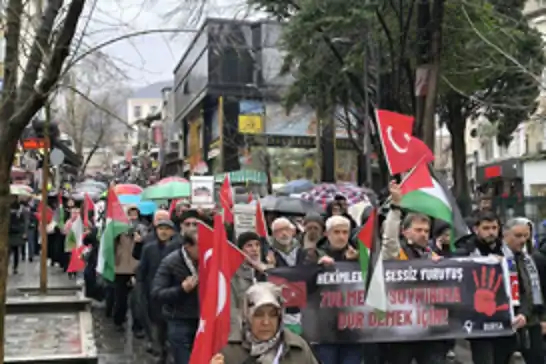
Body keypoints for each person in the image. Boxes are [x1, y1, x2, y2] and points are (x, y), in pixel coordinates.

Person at [380, 181, 447, 364]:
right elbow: (389, 240)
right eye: (418, 230)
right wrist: (395, 208)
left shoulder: (432, 256)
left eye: (426, 231)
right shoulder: (397, 252)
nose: (423, 234)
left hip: (429, 329)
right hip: (402, 329)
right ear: (405, 232)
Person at [210, 282, 319, 364]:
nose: (266, 322)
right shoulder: (229, 351)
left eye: (273, 315)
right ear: (247, 316)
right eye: (258, 315)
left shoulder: (297, 348)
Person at [501, 218, 544, 364]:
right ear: (505, 235)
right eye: (518, 236)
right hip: (505, 321)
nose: (523, 240)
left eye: (526, 236)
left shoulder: (529, 259)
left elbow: (532, 290)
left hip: (530, 320)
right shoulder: (498, 259)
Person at [152, 231, 199, 364]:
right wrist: (181, 290)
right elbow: (157, 294)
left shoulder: (207, 261)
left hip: (201, 319)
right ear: (188, 246)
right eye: (201, 246)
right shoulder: (170, 262)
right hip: (179, 319)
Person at [137, 219, 181, 361]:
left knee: (172, 327)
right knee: (157, 325)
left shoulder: (178, 249)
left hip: (172, 294)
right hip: (153, 294)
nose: (163, 232)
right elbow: (142, 271)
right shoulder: (148, 248)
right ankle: (160, 350)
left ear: (172, 232)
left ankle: (170, 351)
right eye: (160, 228)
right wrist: (141, 289)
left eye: (167, 229)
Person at [230, 231, 270, 334]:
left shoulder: (268, 272)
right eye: (249, 246)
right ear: (240, 250)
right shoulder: (234, 276)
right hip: (244, 330)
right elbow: (232, 310)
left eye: (257, 245)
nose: (254, 249)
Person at [9, 196, 28, 275]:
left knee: (16, 251)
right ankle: (11, 266)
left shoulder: (21, 209)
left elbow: (23, 222)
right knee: (9, 251)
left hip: (16, 232)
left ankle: (15, 267)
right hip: (9, 232)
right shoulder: (7, 207)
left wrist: (24, 232)